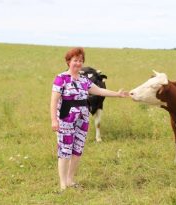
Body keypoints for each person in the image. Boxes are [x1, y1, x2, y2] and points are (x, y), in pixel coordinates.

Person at [50, 47, 128, 191]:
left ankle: (70, 180)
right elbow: (54, 101)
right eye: (75, 60)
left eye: (80, 61)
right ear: (68, 61)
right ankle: (62, 184)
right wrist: (54, 120)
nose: (78, 63)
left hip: (82, 119)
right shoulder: (61, 78)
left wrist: (117, 94)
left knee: (77, 150)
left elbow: (99, 91)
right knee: (65, 151)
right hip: (66, 118)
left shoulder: (84, 80)